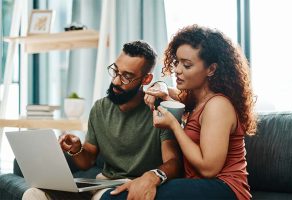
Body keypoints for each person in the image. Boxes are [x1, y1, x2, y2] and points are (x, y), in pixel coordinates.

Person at [22, 41, 181, 200]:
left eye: (127, 76)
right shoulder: (100, 108)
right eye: (115, 71)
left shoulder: (160, 110)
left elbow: (173, 161)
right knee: (33, 194)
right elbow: (87, 161)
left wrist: (152, 177)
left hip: (132, 184)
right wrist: (76, 148)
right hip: (102, 183)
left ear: (146, 79)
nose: (116, 81)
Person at [144, 25, 256, 200]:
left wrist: (174, 125)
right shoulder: (194, 99)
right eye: (176, 62)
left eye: (187, 65)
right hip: (199, 187)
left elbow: (208, 169)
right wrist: (159, 86)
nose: (177, 70)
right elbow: (168, 90)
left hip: (226, 189)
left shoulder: (218, 105)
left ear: (211, 69)